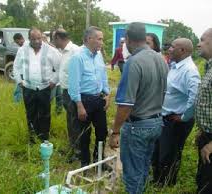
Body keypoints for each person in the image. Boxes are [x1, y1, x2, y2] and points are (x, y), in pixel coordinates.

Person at [109, 22, 168, 194]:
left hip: (138, 126)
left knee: (132, 173)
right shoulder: (161, 59)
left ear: (127, 38)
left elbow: (126, 104)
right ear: (144, 37)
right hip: (156, 122)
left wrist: (115, 132)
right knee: (142, 167)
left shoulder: (133, 62)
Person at [153, 38, 200, 186]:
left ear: (182, 51)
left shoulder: (189, 71)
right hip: (166, 118)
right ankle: (158, 181)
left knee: (169, 155)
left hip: (176, 121)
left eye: (173, 47)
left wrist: (184, 116)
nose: (169, 49)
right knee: (160, 152)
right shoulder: (175, 66)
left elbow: (195, 96)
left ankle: (166, 184)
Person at [68, 26, 110, 167]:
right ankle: (85, 164)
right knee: (84, 135)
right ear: (89, 39)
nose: (101, 42)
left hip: (98, 99)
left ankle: (99, 161)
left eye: (102, 39)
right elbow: (74, 85)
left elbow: (103, 76)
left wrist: (107, 94)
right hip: (83, 101)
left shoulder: (98, 56)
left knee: (102, 132)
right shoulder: (77, 57)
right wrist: (79, 106)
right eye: (99, 39)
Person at [13, 28, 61, 142]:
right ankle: (32, 137)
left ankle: (44, 138)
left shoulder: (50, 50)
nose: (37, 41)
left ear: (42, 37)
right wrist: (19, 81)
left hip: (45, 88)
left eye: (39, 38)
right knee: (30, 113)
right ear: (29, 39)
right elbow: (16, 66)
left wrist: (54, 81)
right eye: (33, 39)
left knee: (45, 114)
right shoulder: (22, 50)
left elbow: (60, 67)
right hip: (28, 88)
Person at [52, 28, 80, 162]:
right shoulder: (62, 52)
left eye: (53, 38)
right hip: (65, 92)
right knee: (70, 121)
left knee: (75, 122)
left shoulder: (75, 50)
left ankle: (78, 152)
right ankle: (72, 147)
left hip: (73, 92)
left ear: (58, 38)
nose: (52, 41)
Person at [195, 28, 212, 194]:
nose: (198, 44)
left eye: (202, 40)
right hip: (207, 136)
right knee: (203, 180)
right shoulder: (208, 67)